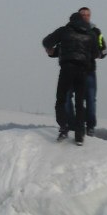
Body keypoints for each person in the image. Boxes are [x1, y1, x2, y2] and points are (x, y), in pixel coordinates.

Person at [42, 13, 99, 145]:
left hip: (67, 68)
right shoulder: (91, 34)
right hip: (83, 70)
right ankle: (79, 135)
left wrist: (56, 50)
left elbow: (46, 42)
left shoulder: (64, 31)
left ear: (71, 21)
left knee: (61, 99)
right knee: (80, 102)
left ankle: (63, 128)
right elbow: (95, 53)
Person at [64, 6, 107, 136]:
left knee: (90, 99)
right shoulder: (68, 30)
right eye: (82, 15)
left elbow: (104, 50)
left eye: (87, 15)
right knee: (66, 96)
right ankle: (72, 124)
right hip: (70, 70)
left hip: (88, 71)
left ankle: (90, 126)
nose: (85, 17)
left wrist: (97, 54)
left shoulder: (95, 31)